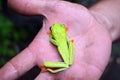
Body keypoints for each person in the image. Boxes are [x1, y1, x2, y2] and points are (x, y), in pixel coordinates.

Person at [0, 0, 120, 80]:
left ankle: (50, 67)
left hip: (67, 59)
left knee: (60, 64)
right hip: (66, 49)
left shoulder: (56, 38)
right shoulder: (62, 35)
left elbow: (53, 41)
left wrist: (52, 37)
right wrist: (103, 21)